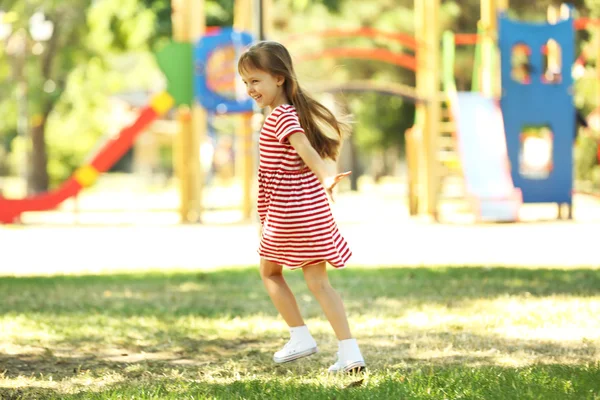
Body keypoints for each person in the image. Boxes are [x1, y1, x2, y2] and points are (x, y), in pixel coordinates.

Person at [238, 41, 366, 374]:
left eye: (255, 80)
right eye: (246, 82)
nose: (250, 89)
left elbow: (306, 149)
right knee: (320, 285)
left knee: (269, 273)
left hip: (289, 214)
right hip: (312, 214)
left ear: (279, 78)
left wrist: (325, 174)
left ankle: (300, 336)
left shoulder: (281, 116)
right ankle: (350, 352)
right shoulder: (289, 113)